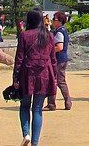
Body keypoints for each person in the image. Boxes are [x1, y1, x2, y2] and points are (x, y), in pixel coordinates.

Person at [13, 9, 56, 146]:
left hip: (27, 73)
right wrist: (54, 76)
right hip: (44, 73)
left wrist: (15, 78)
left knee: (24, 106)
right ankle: (35, 143)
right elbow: (53, 59)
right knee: (37, 109)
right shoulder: (49, 35)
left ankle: (26, 134)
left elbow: (19, 58)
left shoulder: (24, 35)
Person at [45, 11, 72, 111]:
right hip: (62, 58)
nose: (52, 21)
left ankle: (52, 104)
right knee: (60, 81)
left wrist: (48, 50)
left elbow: (59, 47)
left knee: (55, 81)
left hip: (58, 59)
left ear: (59, 21)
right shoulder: (62, 30)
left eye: (54, 19)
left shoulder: (59, 32)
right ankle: (66, 102)